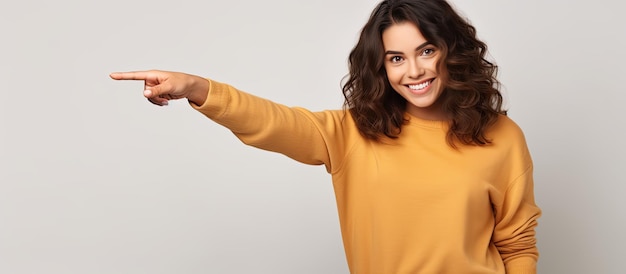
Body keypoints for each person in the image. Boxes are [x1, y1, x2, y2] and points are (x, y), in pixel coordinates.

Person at [110, 0, 541, 273]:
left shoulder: (501, 137)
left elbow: (517, 243)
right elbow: (273, 123)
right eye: (396, 58)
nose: (414, 71)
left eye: (426, 50)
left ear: (452, 51)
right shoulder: (353, 132)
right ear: (381, 67)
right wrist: (197, 87)